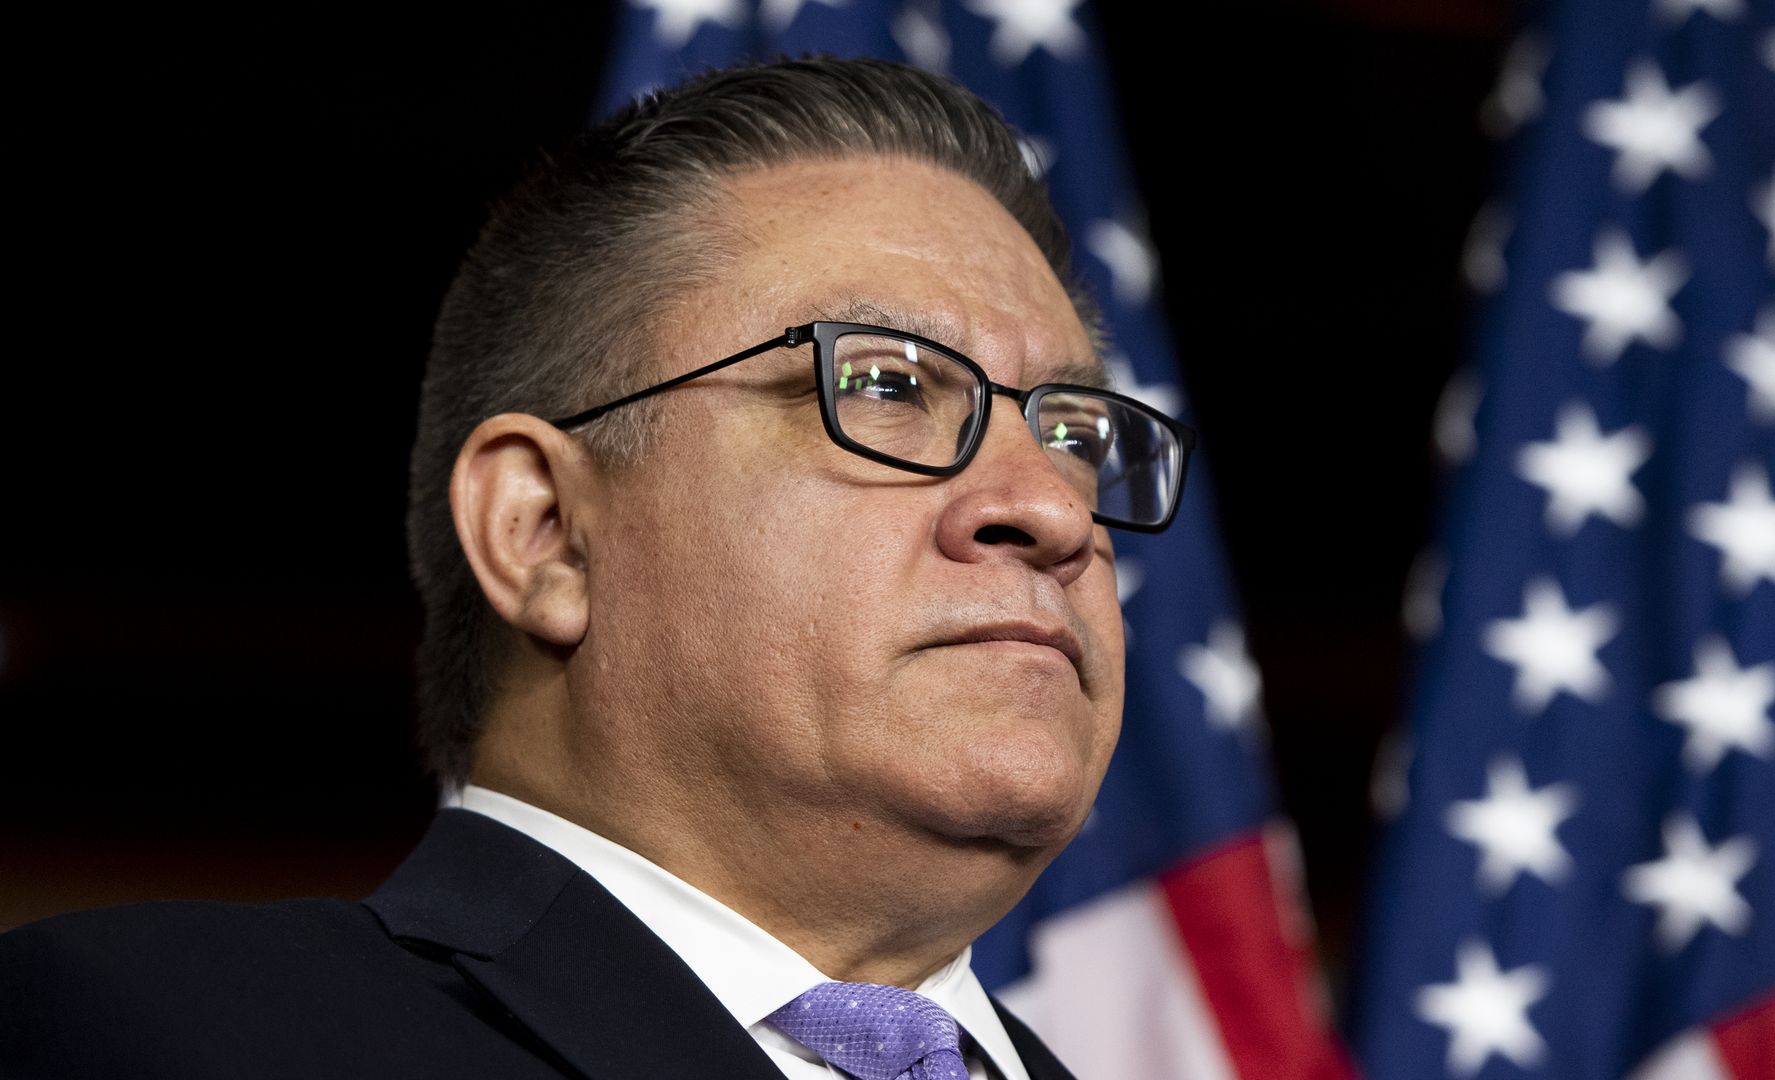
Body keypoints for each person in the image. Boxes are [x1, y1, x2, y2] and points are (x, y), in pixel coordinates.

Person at [0, 56, 1194, 1079]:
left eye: (1072, 434)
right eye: (883, 385)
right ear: (545, 532)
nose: (1049, 508)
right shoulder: (152, 1036)